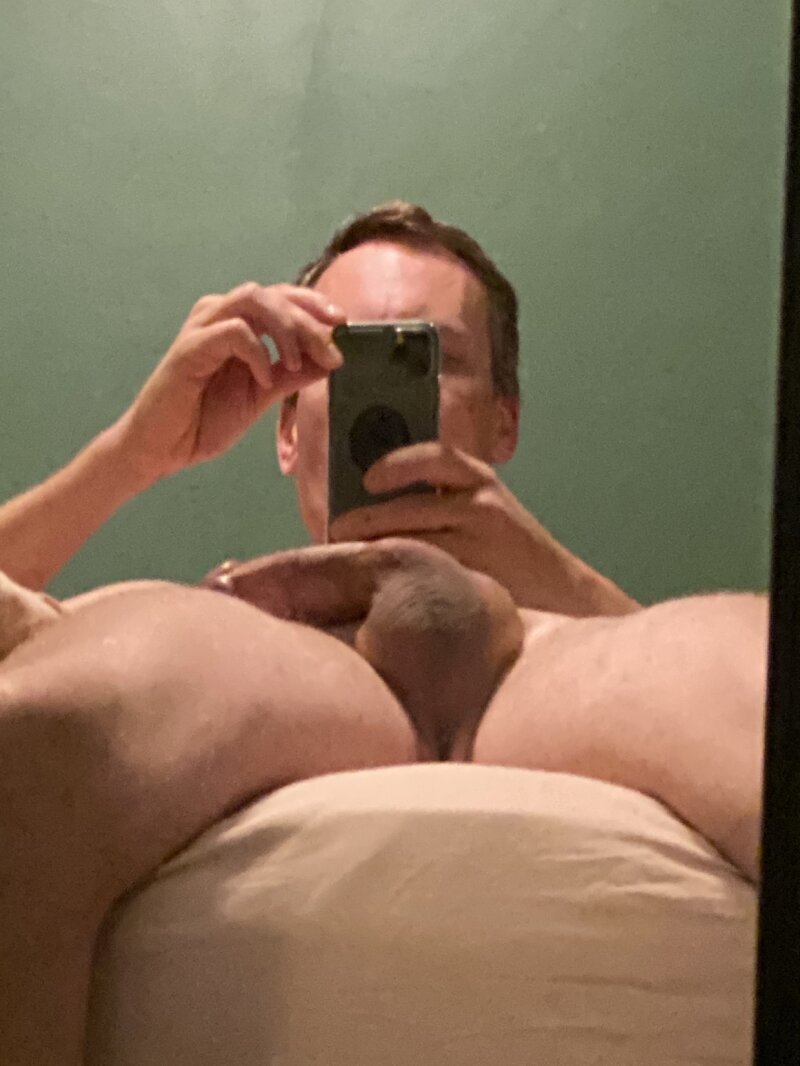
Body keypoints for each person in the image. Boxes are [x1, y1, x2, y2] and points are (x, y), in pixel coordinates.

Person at [0, 202, 768, 1066]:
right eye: (342, 357)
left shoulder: (586, 633)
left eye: (426, 356)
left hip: (534, 657)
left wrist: (547, 570)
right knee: (32, 723)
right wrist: (132, 453)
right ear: (287, 429)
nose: (387, 393)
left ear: (504, 422)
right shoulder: (216, 625)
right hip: (282, 656)